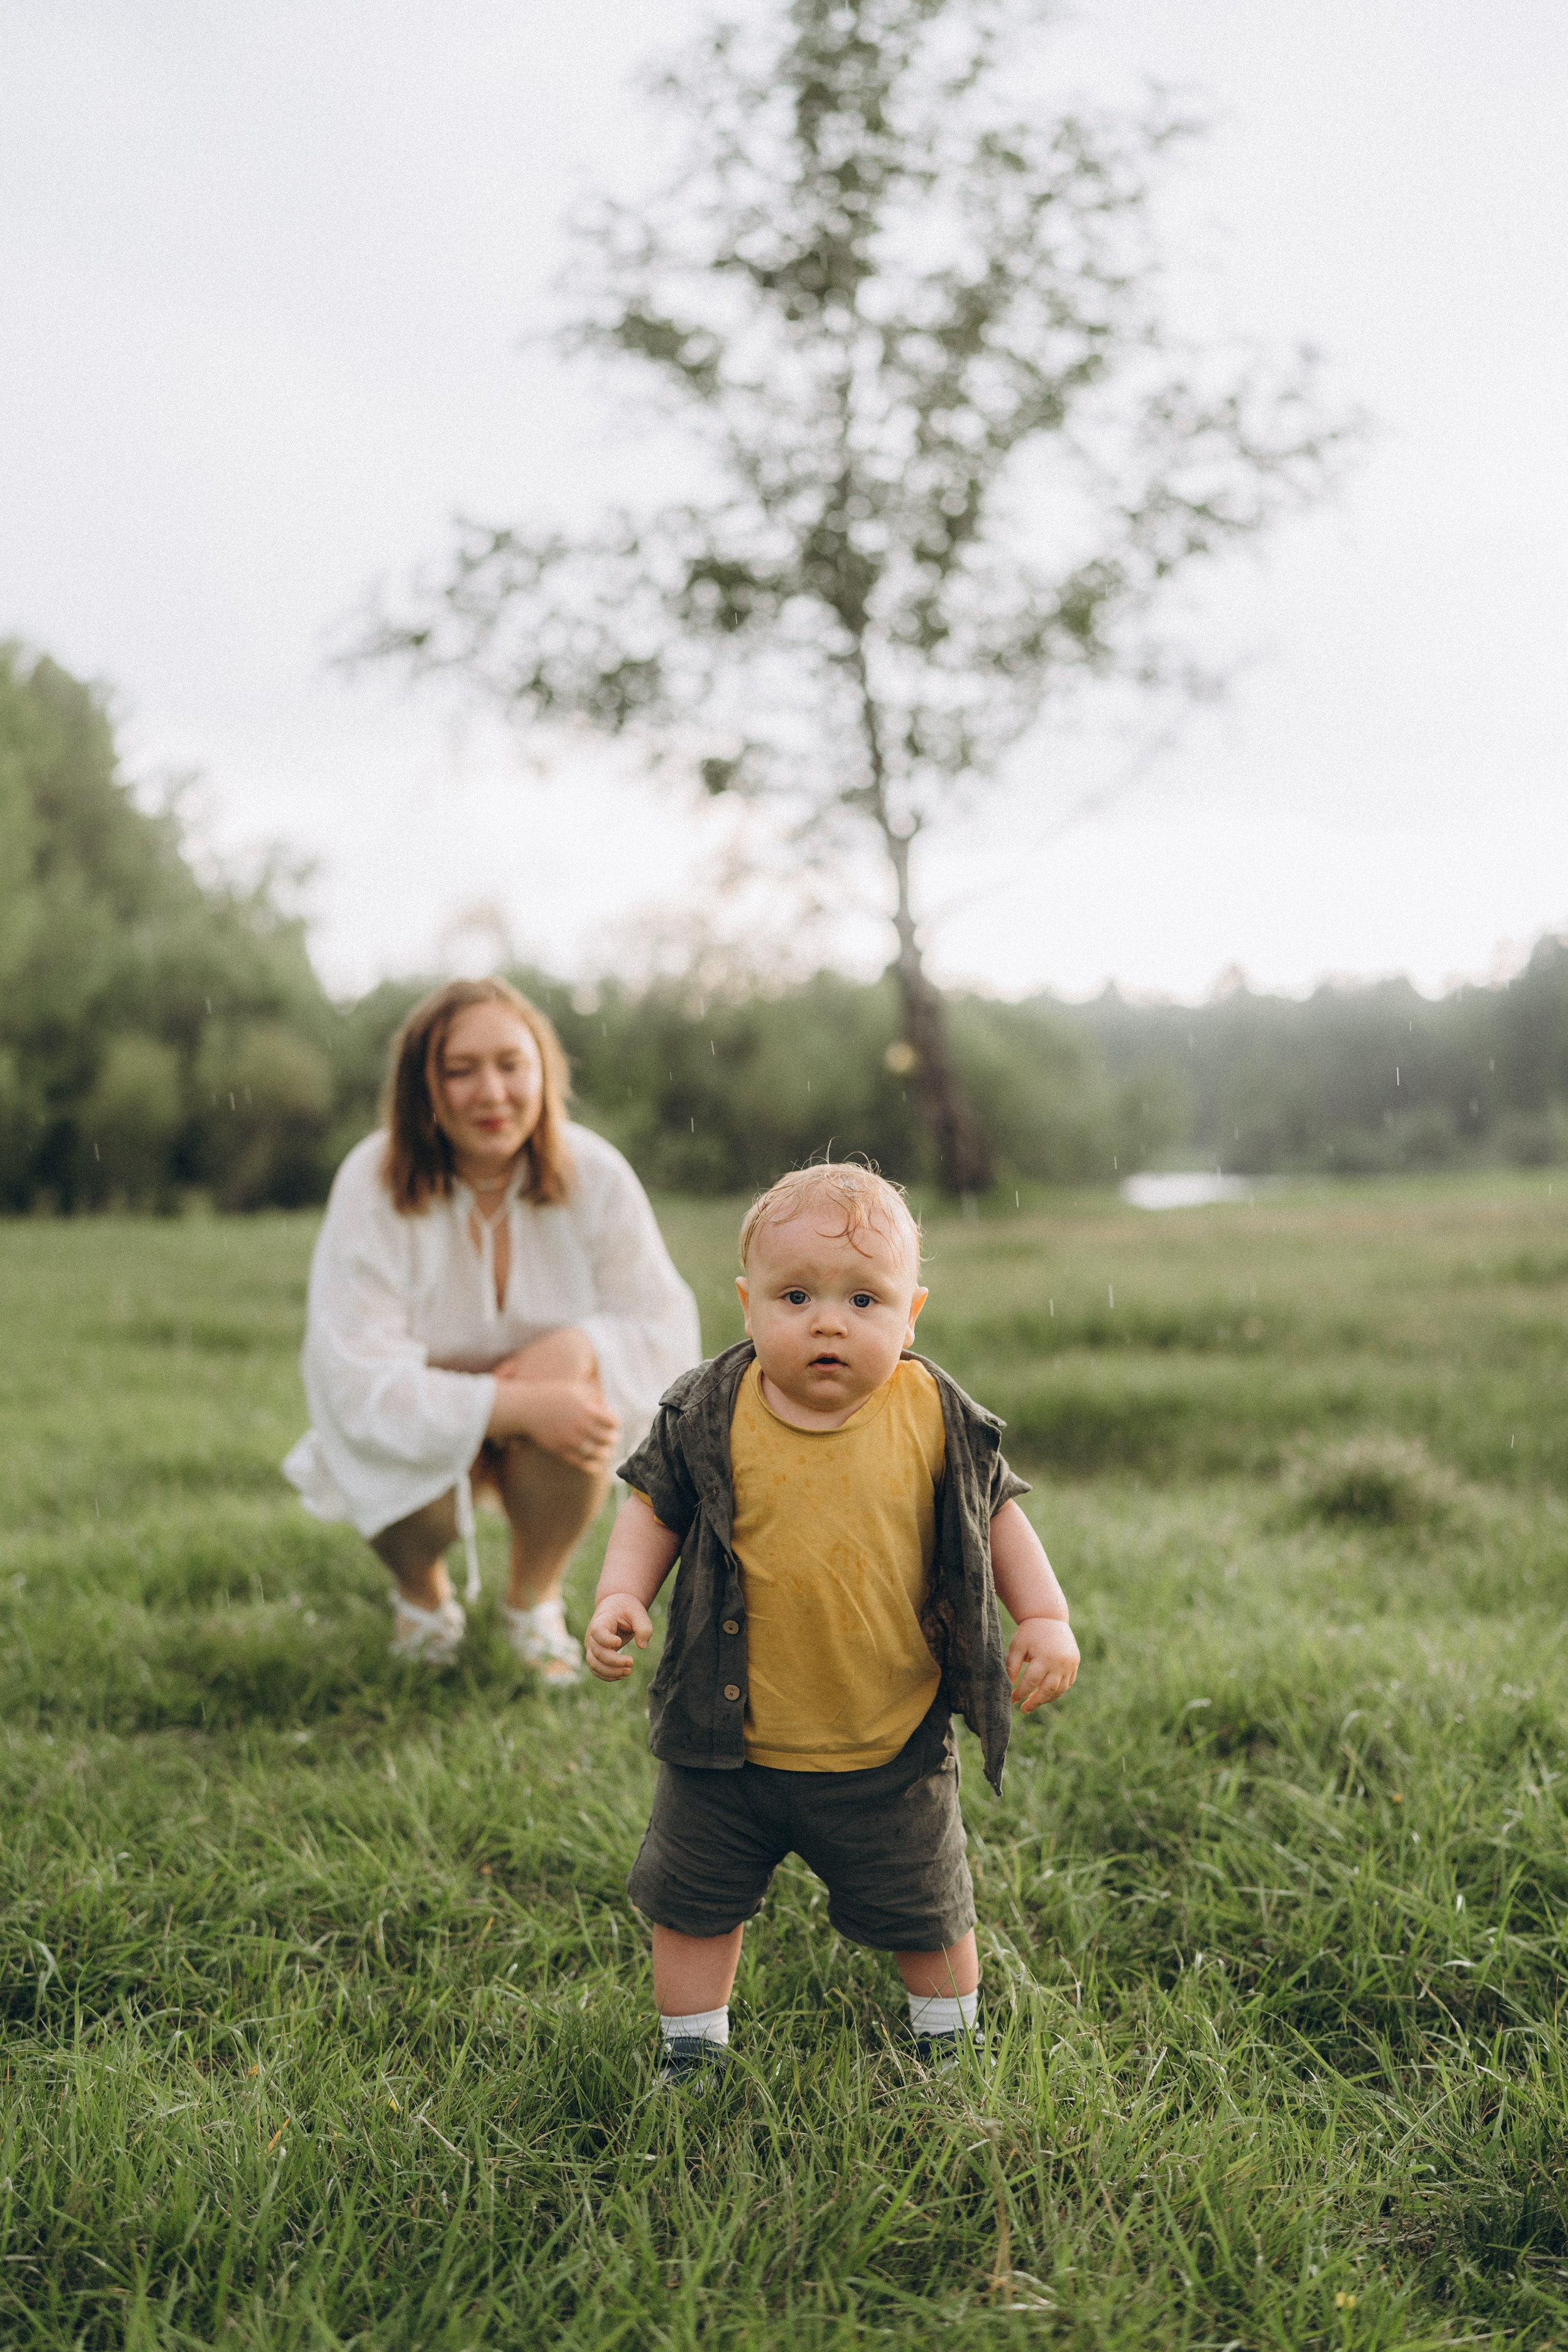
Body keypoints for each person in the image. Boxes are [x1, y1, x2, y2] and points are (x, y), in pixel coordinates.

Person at [584, 1161, 1079, 2081]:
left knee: (931, 1910)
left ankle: (951, 2043)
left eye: (864, 1299)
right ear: (748, 1303)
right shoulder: (709, 1409)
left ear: (911, 1313)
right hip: (722, 1749)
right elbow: (654, 1507)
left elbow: (997, 1514)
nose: (828, 1320)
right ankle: (692, 2053)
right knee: (691, 1905)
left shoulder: (931, 1412)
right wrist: (622, 1595)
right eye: (797, 1294)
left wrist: (1043, 1614)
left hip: (887, 1745)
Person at [283, 977, 701, 1683]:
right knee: (402, 1446)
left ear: (542, 1073)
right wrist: (510, 1403)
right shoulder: (372, 1180)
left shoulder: (595, 1173)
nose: (491, 1092)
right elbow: (353, 1375)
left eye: (511, 1064)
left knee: (582, 1409)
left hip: (546, 1418)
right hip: (426, 1423)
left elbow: (666, 1329)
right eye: (460, 1070)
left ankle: (531, 1603)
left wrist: (577, 1348)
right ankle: (422, 1600)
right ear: (425, 1087)